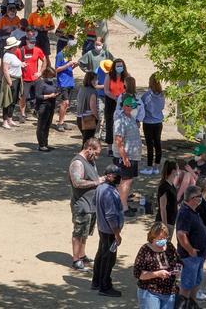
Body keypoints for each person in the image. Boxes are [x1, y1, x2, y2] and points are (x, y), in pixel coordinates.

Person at [69, 138, 103, 271]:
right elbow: (77, 182)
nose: (97, 156)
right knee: (78, 233)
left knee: (85, 233)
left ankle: (82, 256)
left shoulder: (90, 161)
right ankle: (76, 260)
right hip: (82, 205)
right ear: (89, 148)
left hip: (91, 205)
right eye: (97, 153)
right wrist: (96, 182)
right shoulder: (77, 163)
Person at [176, 185, 206, 308]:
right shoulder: (185, 212)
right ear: (192, 198)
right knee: (186, 286)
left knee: (195, 283)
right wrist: (191, 250)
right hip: (190, 258)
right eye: (199, 197)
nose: (201, 199)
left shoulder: (192, 212)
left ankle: (192, 306)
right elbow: (181, 234)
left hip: (198, 257)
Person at [92, 164, 124, 297]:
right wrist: (117, 234)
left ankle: (96, 281)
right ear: (110, 176)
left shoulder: (100, 188)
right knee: (109, 258)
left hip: (102, 229)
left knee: (101, 254)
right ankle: (105, 286)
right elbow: (111, 215)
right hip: (110, 231)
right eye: (116, 176)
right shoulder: (109, 192)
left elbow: (94, 202)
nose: (119, 179)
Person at [133, 223, 181, 309]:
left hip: (169, 292)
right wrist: (157, 274)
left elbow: (179, 261)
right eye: (160, 239)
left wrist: (178, 270)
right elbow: (138, 273)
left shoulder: (169, 246)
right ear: (152, 238)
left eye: (165, 238)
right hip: (150, 292)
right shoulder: (145, 250)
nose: (163, 241)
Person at [112, 95, 141, 216]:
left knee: (128, 181)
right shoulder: (120, 120)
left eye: (135, 106)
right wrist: (124, 157)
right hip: (125, 157)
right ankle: (123, 208)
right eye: (132, 106)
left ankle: (123, 204)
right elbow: (118, 140)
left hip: (133, 156)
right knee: (125, 181)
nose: (135, 108)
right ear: (125, 107)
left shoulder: (131, 118)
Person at [14, 36, 46, 122]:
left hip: (35, 78)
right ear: (27, 41)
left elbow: (44, 60)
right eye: (31, 42)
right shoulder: (19, 51)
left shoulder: (38, 50)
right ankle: (22, 114)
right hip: (24, 78)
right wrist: (20, 64)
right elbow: (13, 62)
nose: (33, 44)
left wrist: (40, 72)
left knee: (38, 96)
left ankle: (37, 111)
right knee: (23, 97)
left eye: (34, 42)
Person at [141, 74, 165, 175]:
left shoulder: (146, 95)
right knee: (157, 143)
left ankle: (149, 167)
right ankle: (157, 166)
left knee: (150, 145)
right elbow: (162, 107)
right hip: (158, 122)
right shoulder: (162, 95)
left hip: (148, 122)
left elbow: (142, 107)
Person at [0, 37, 24, 129]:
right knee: (7, 101)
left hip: (17, 79)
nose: (17, 47)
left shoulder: (13, 55)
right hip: (11, 80)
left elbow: (16, 64)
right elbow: (5, 70)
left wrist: (22, 64)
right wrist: (10, 82)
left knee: (13, 101)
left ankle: (10, 118)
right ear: (13, 47)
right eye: (16, 46)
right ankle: (5, 121)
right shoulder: (7, 55)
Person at [54, 40, 78, 132]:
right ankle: (60, 123)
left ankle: (62, 121)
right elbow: (57, 69)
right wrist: (67, 64)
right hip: (63, 82)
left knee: (67, 104)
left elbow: (68, 68)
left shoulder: (69, 55)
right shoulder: (60, 55)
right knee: (65, 102)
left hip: (70, 82)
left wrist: (74, 66)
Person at [103, 58, 128, 145]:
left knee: (123, 123)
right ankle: (110, 146)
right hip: (111, 101)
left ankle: (121, 145)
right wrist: (115, 98)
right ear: (114, 67)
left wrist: (123, 98)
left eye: (121, 66)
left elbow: (129, 89)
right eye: (117, 66)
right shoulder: (109, 76)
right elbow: (106, 90)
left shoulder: (126, 76)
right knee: (110, 123)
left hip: (123, 102)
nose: (119, 67)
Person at [34, 66, 58, 152]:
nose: (52, 78)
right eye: (51, 76)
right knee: (42, 126)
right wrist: (49, 96)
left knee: (48, 125)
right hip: (43, 106)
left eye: (53, 76)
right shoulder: (40, 83)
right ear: (46, 74)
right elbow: (38, 96)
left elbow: (55, 89)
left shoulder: (53, 82)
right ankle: (41, 145)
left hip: (51, 106)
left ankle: (45, 143)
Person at [155, 160, 179, 237]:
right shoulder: (164, 187)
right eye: (177, 168)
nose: (179, 170)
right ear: (173, 171)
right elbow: (163, 208)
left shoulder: (172, 185)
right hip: (164, 222)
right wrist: (164, 226)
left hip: (171, 221)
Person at [76, 71, 99, 142]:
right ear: (91, 80)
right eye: (96, 79)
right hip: (88, 118)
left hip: (79, 117)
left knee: (85, 140)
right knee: (88, 141)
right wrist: (97, 117)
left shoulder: (82, 89)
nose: (97, 81)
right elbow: (92, 107)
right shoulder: (92, 91)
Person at [94, 59, 112, 139]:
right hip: (100, 96)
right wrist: (105, 86)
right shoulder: (97, 71)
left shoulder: (114, 72)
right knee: (99, 115)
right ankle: (96, 133)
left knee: (107, 116)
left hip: (110, 97)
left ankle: (104, 133)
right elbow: (95, 85)